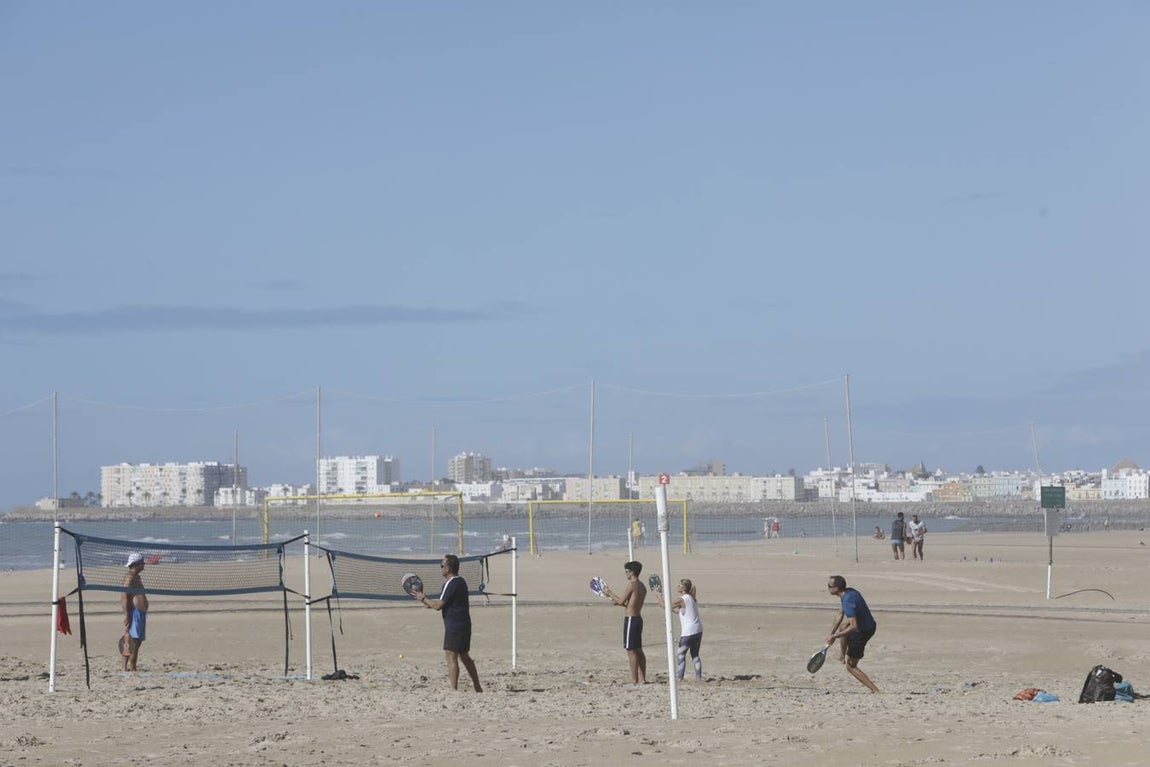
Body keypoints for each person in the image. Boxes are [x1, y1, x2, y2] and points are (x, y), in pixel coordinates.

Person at [412, 554, 482, 692]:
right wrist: (427, 602)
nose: (441, 568)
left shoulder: (451, 583)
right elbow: (445, 604)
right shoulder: (460, 581)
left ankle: (453, 690)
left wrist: (423, 598)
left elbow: (438, 606)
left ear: (448, 568)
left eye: (442, 565)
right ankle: (477, 687)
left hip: (455, 626)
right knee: (464, 656)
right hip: (464, 624)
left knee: (451, 655)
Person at [825, 575, 879, 693]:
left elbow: (853, 626)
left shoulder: (848, 600)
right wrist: (832, 634)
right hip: (869, 625)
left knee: (851, 666)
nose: (828, 587)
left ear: (837, 588)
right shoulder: (849, 592)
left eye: (829, 586)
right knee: (843, 627)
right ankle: (842, 657)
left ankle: (875, 690)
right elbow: (840, 613)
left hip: (863, 632)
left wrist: (835, 636)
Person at [603, 561, 647, 685]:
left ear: (632, 572)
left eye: (627, 571)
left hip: (631, 619)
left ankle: (634, 680)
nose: (626, 573)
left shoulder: (632, 584)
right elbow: (630, 604)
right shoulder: (642, 586)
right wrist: (615, 599)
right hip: (638, 618)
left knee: (631, 650)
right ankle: (642, 679)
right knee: (638, 650)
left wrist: (609, 593)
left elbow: (622, 601)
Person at [654, 577, 703, 681]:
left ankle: (679, 677)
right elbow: (679, 612)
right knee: (695, 655)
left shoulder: (682, 599)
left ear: (684, 588)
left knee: (681, 654)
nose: (678, 586)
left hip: (689, 632)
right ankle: (698, 677)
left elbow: (665, 606)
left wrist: (659, 596)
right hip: (698, 630)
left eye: (680, 585)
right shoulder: (692, 598)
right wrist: (660, 598)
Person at [121, 552, 149, 672]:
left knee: (137, 642)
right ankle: (125, 667)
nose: (144, 564)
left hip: (140, 613)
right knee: (130, 640)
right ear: (136, 563)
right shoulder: (130, 577)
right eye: (142, 562)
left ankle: (132, 666)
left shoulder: (137, 577)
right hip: (134, 612)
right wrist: (127, 615)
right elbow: (124, 597)